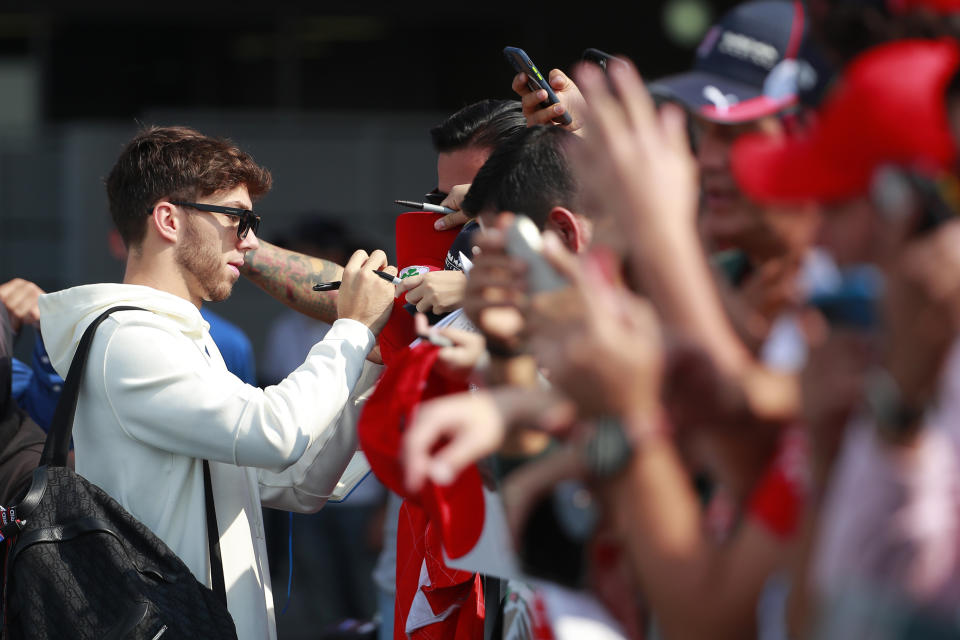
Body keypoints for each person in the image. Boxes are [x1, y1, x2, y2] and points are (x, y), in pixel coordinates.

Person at [36, 125, 397, 640]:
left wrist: (369, 362)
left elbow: (296, 481)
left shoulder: (175, 334)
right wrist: (353, 329)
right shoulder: (130, 335)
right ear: (168, 219)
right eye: (237, 218)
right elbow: (274, 434)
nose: (249, 242)